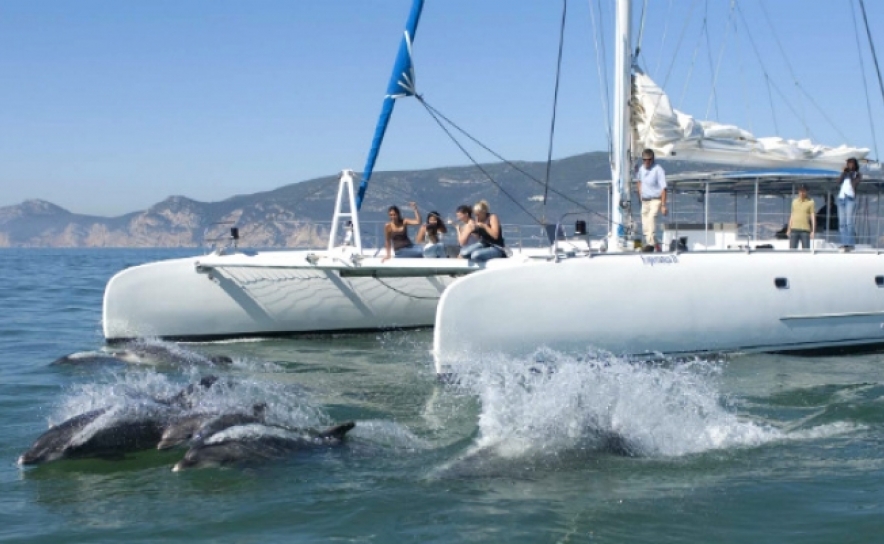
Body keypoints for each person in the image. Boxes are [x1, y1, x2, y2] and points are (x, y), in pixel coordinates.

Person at [635, 149, 667, 251]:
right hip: (645, 200)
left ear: (653, 159)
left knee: (651, 218)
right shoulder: (641, 169)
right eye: (644, 160)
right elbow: (639, 181)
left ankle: (651, 244)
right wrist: (640, 195)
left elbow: (663, 188)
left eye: (649, 160)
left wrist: (663, 205)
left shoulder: (658, 170)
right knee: (645, 224)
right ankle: (655, 244)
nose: (647, 162)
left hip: (655, 199)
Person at [836, 157, 862, 249]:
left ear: (855, 165)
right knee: (842, 223)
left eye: (851, 163)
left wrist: (850, 173)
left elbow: (854, 183)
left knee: (849, 222)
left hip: (850, 198)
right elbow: (838, 182)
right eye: (848, 163)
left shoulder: (857, 174)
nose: (850, 165)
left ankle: (850, 243)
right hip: (841, 198)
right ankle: (844, 243)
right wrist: (844, 173)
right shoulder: (845, 174)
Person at [786, 184, 815, 249]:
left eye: (803, 191)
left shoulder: (811, 202)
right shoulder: (794, 202)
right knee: (792, 250)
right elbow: (792, 216)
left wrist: (813, 231)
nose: (802, 193)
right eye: (800, 191)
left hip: (805, 230)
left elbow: (813, 217)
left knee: (806, 250)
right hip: (794, 229)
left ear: (806, 192)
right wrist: (788, 229)